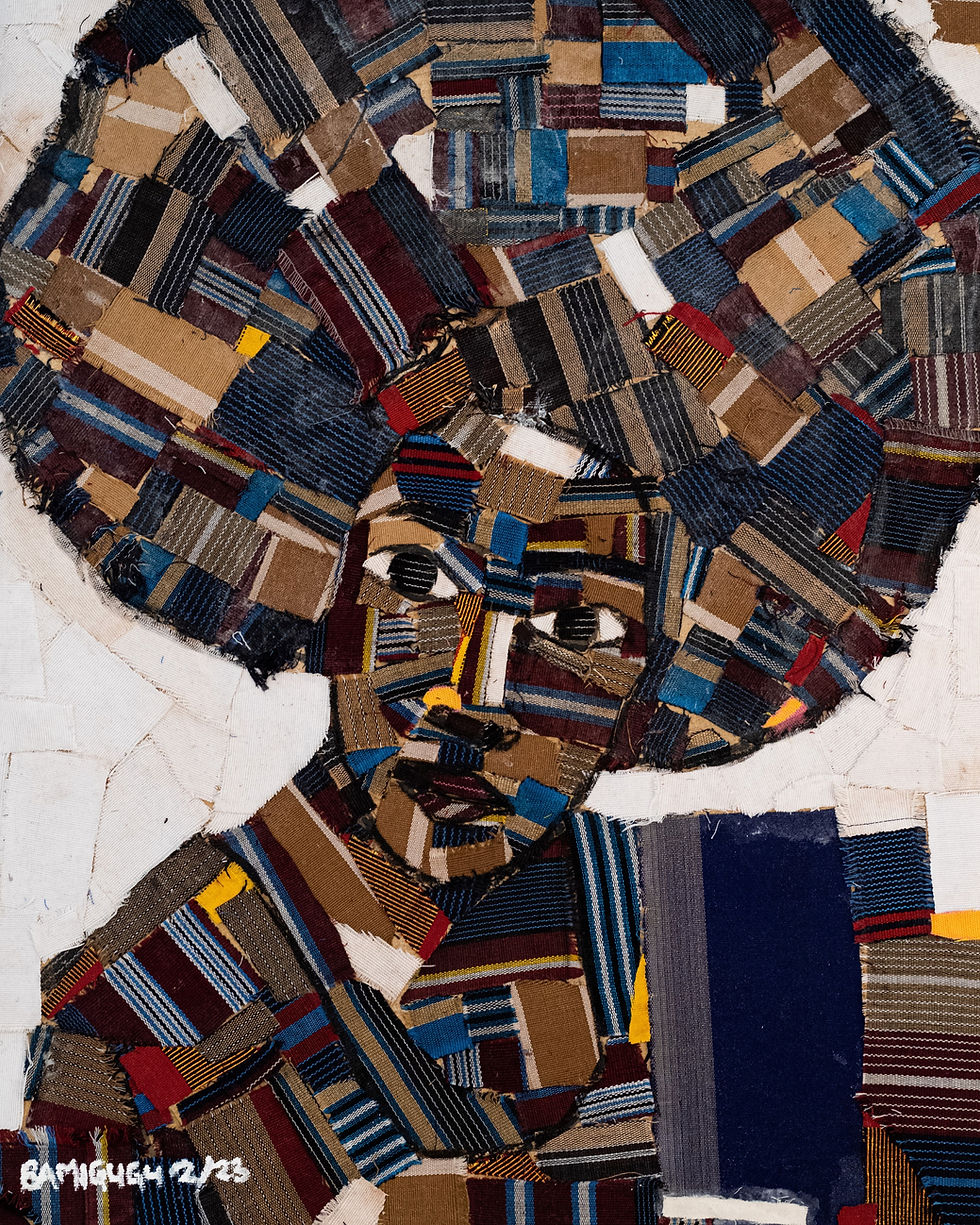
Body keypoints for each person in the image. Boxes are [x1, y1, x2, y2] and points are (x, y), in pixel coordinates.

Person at [2, 0, 979, 1219]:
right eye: (418, 583)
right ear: (326, 584)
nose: (471, 695)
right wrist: (351, 1127)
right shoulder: (139, 1017)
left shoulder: (742, 932)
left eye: (579, 631)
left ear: (650, 674)